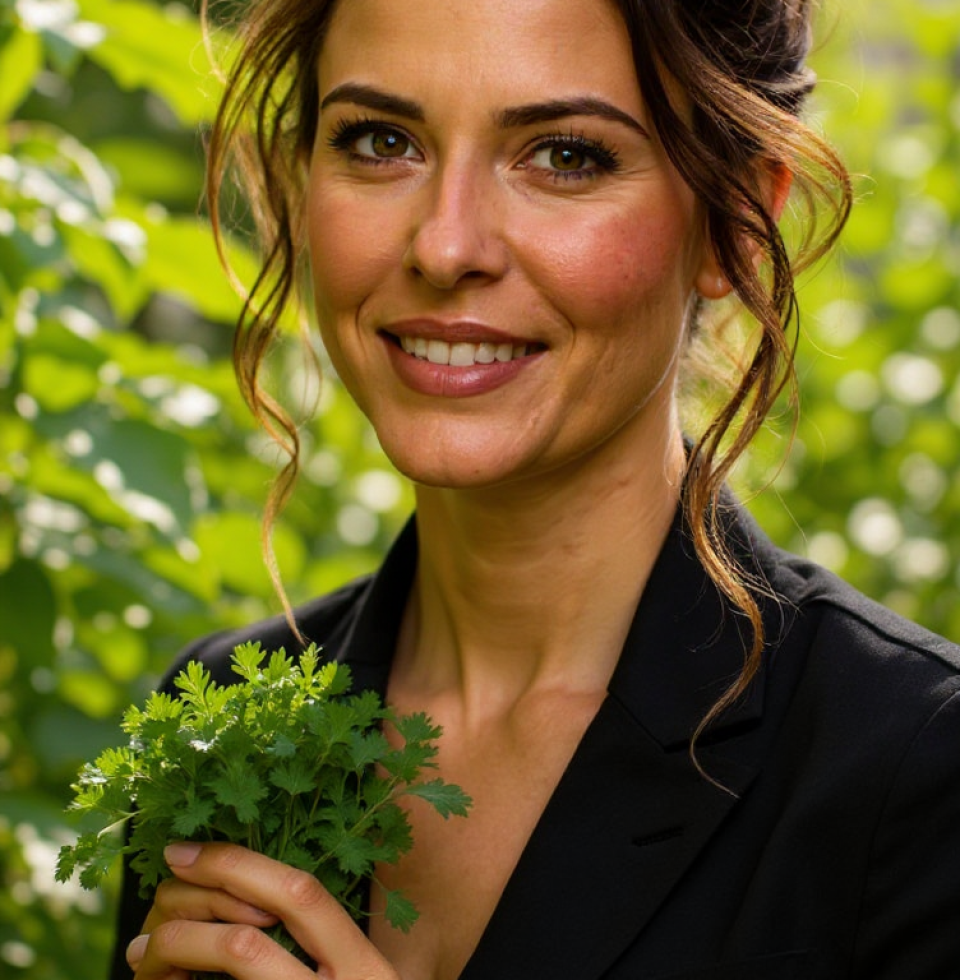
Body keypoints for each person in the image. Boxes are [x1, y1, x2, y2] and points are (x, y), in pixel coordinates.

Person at [114, 0, 960, 977]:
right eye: (381, 140)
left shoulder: (912, 773)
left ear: (735, 222)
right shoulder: (217, 718)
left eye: (563, 156)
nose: (445, 244)